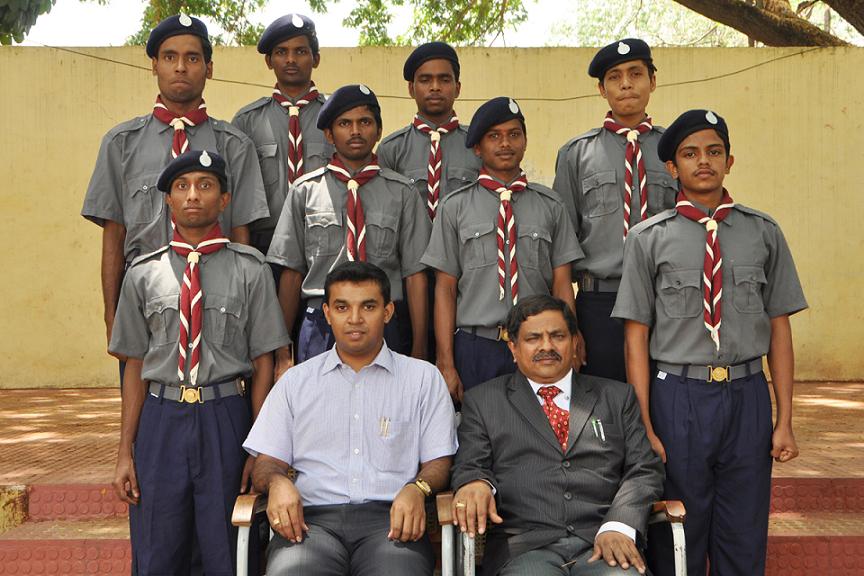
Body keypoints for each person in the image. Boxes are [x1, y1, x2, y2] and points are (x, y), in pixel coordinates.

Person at [611, 109, 807, 575]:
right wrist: (645, 423)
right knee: (678, 526)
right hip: (678, 396)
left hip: (746, 394)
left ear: (729, 161)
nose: (704, 161)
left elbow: (779, 329)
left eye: (714, 152)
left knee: (744, 525)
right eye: (691, 154)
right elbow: (636, 337)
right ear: (672, 167)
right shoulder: (647, 239)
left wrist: (785, 419)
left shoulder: (763, 232)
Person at [109, 150, 290, 575]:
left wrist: (259, 445)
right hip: (160, 418)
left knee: (226, 545)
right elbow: (134, 366)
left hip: (224, 416)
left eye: (206, 186)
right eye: (182, 187)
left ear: (224, 200)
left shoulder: (251, 269)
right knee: (157, 546)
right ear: (168, 200)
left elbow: (262, 362)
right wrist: (124, 451)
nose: (193, 195)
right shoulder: (142, 274)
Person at [81, 14, 268, 382]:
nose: (180, 67)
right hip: (147, 301)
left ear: (209, 68)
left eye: (192, 58)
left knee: (222, 404)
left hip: (220, 306)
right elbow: (114, 237)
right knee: (144, 408)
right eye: (169, 57)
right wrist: (112, 316)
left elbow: (241, 234)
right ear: (154, 65)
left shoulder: (235, 145)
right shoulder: (121, 144)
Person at [243, 261, 457, 575]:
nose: (355, 319)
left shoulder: (422, 379)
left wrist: (418, 488)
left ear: (387, 312)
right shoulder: (296, 382)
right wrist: (277, 483)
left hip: (391, 523)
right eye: (342, 307)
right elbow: (266, 464)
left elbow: (440, 462)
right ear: (327, 313)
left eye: (368, 306)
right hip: (310, 523)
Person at [451, 295, 664, 576]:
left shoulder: (616, 396)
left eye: (557, 336)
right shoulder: (483, 401)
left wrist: (618, 525)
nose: (547, 346)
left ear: (575, 342)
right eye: (533, 338)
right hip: (525, 550)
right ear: (513, 347)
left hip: (603, 542)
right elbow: (470, 465)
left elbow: (644, 469)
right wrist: (476, 483)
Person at [421, 97, 584, 400]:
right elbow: (445, 289)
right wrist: (445, 360)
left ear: (525, 141)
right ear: (477, 148)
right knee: (477, 425)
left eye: (514, 134)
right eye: (494, 136)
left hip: (539, 343)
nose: (505, 143)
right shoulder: (454, 207)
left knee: (541, 424)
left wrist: (571, 338)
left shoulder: (550, 205)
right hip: (476, 346)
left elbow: (562, 283)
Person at [266, 84, 431, 368]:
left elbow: (415, 275)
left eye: (365, 122)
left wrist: (419, 346)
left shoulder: (403, 193)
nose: (355, 131)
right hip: (322, 323)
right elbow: (292, 273)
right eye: (344, 124)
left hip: (384, 320)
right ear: (329, 135)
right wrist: (282, 352)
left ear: (379, 131)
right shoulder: (305, 191)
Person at [552, 38, 677, 382]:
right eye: (614, 77)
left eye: (636, 74)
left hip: (667, 299)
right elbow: (561, 247)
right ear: (601, 89)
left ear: (652, 81)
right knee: (602, 401)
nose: (625, 84)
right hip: (600, 302)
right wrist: (569, 326)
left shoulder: (676, 150)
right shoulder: (576, 154)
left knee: (664, 397)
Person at [377, 41, 482, 360]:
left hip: (464, 278)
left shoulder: (478, 145)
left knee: (459, 362)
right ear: (411, 88)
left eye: (444, 79)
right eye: (425, 80)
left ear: (458, 87)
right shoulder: (391, 150)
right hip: (410, 278)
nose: (435, 87)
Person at [233, 13, 333, 256]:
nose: (291, 59)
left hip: (325, 243)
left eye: (301, 51)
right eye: (281, 52)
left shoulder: (336, 116)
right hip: (264, 244)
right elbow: (235, 195)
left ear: (316, 59)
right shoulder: (247, 121)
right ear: (269, 61)